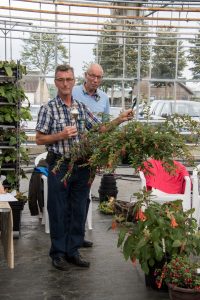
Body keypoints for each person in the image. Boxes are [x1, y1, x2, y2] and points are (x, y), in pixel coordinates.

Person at [35, 64, 133, 271]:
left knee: (78, 209)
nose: (65, 83)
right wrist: (60, 135)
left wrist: (121, 118)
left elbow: (101, 128)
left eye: (68, 79)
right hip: (59, 166)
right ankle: (58, 253)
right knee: (59, 210)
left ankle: (73, 251)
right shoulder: (48, 108)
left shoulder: (80, 107)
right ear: (56, 82)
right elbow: (39, 139)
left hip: (81, 166)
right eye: (61, 80)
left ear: (73, 81)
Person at [72, 63, 110, 248]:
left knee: (84, 194)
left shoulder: (104, 98)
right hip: (71, 153)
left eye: (99, 77)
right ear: (85, 75)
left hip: (92, 156)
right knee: (70, 195)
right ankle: (69, 237)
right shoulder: (74, 93)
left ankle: (78, 236)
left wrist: (103, 153)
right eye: (92, 76)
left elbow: (105, 128)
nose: (95, 80)